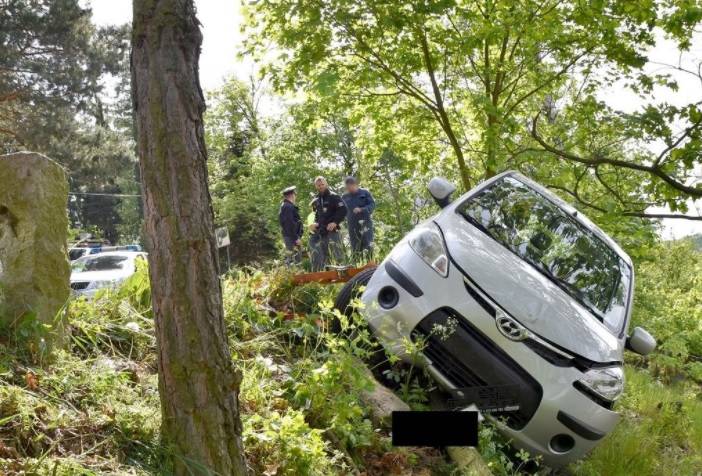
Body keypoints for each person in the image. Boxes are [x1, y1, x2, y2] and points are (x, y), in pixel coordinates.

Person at [309, 176, 346, 271]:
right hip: (321, 232)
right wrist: (315, 224)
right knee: (325, 257)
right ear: (316, 186)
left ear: (326, 184)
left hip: (333, 231)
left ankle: (343, 277)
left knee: (338, 255)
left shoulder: (334, 196)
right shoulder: (316, 200)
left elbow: (343, 210)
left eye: (322, 184)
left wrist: (335, 222)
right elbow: (317, 215)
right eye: (318, 185)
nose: (321, 187)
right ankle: (328, 279)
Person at [342, 176, 375, 260]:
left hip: (365, 224)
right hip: (352, 226)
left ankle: (370, 265)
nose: (349, 189)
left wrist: (362, 209)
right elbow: (341, 210)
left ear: (355, 184)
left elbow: (372, 205)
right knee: (355, 247)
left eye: (351, 187)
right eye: (347, 188)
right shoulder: (344, 197)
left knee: (368, 245)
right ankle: (357, 266)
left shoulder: (365, 193)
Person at [278, 186, 303, 266]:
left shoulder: (286, 206)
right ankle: (295, 278)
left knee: (293, 259)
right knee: (295, 261)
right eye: (295, 194)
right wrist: (296, 238)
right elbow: (290, 224)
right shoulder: (287, 207)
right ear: (292, 195)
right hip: (292, 237)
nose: (295, 196)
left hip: (291, 236)